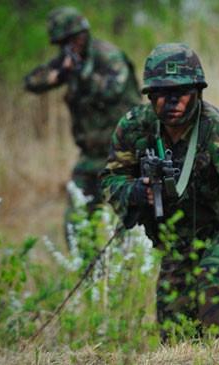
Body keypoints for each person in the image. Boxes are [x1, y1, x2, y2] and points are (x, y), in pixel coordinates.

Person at [101, 43, 219, 341]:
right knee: (175, 326)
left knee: (213, 281)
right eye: (163, 93)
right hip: (175, 238)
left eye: (182, 92)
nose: (172, 101)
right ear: (150, 96)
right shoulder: (135, 128)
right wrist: (135, 194)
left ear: (197, 91)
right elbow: (111, 179)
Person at [24, 6, 140, 242]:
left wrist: (82, 73)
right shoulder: (68, 61)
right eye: (63, 43)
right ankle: (83, 266)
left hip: (122, 152)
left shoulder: (108, 56)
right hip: (90, 154)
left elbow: (113, 89)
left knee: (126, 220)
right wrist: (60, 74)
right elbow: (32, 82)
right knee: (76, 219)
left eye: (73, 40)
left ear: (83, 35)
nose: (70, 46)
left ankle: (127, 272)